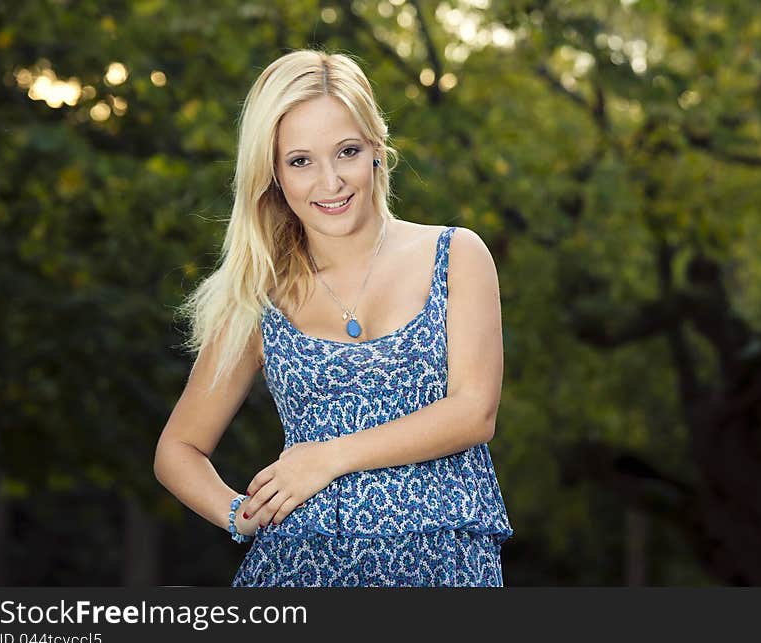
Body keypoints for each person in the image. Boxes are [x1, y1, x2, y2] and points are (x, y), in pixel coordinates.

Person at [153, 48, 513, 586]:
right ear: (273, 173)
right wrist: (238, 515)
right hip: (297, 569)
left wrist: (324, 458)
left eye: (346, 151)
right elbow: (177, 450)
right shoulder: (259, 295)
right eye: (300, 161)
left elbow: (473, 413)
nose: (330, 183)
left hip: (443, 562)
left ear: (376, 148)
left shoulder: (457, 255)